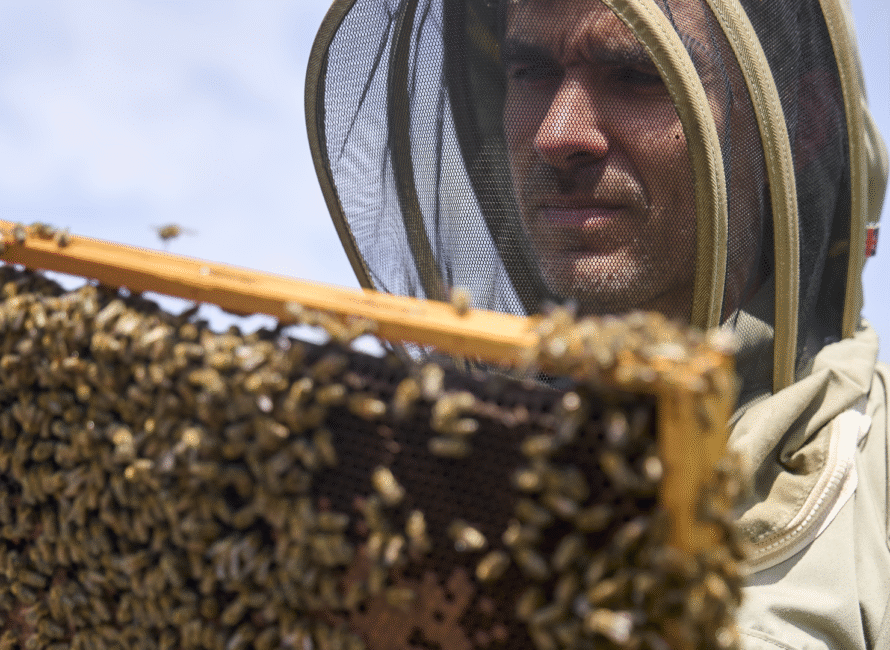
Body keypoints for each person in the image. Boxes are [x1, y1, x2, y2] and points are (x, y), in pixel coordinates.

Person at [307, 0, 889, 647]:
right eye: (529, 69)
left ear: (801, 124)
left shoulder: (876, 470)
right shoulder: (424, 473)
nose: (558, 133)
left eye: (637, 73)